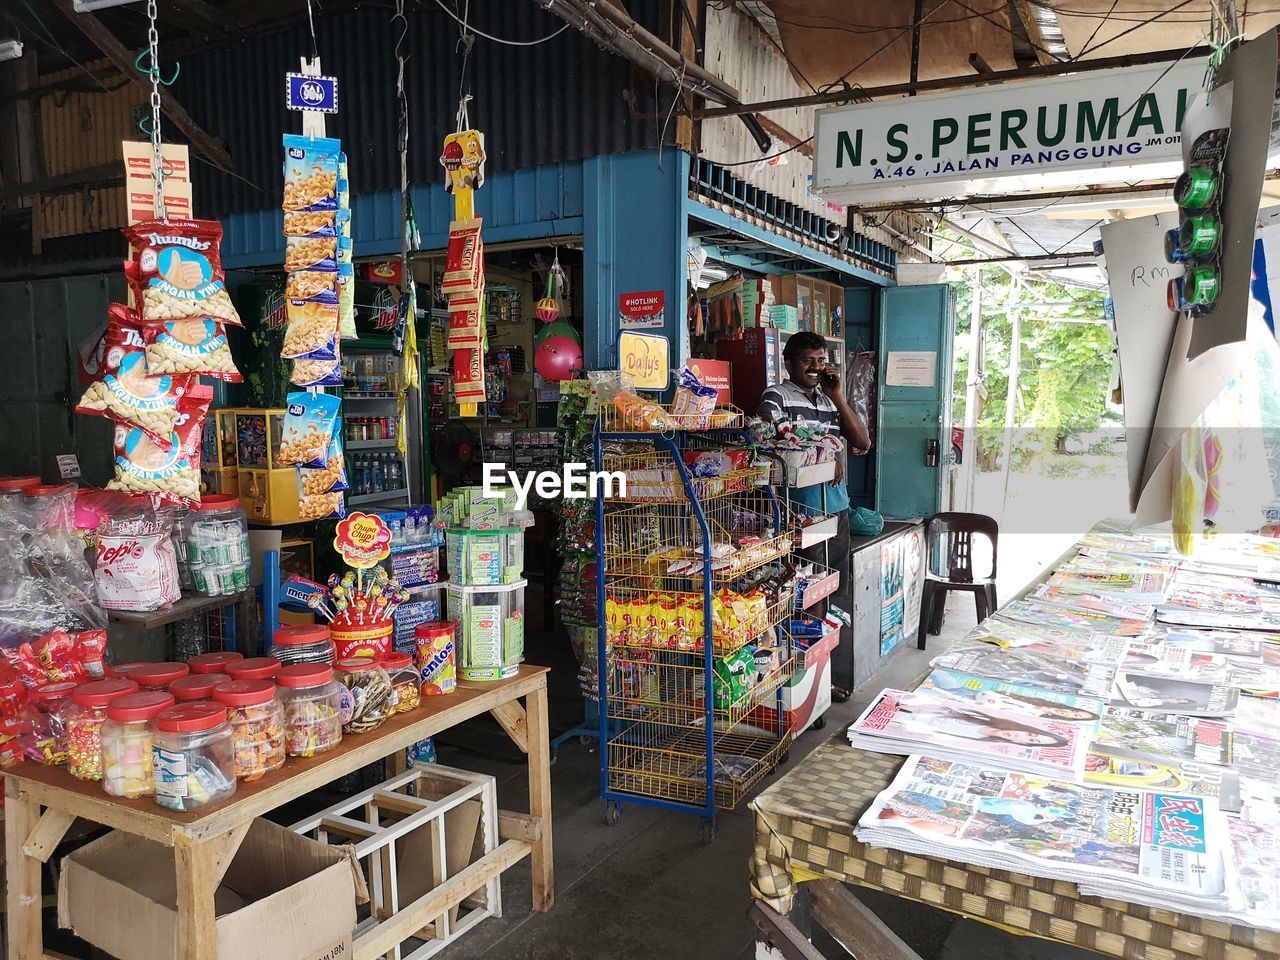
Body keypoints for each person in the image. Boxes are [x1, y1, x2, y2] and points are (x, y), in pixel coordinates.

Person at [758, 331, 870, 702]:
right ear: (789, 363)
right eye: (808, 360)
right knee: (804, 595)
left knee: (835, 591)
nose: (816, 368)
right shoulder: (776, 395)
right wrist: (822, 452)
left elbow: (862, 442)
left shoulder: (828, 399)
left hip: (835, 509)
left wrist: (837, 396)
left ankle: (831, 674)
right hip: (797, 515)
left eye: (821, 361)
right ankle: (802, 678)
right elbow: (769, 440)